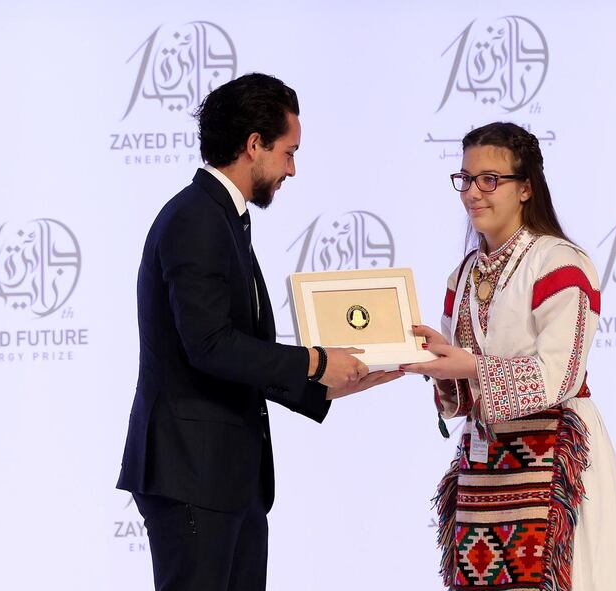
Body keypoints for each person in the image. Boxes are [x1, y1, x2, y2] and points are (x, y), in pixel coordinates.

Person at [116, 72, 401, 591]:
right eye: (288, 152)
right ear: (254, 146)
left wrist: (337, 379)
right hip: (194, 475)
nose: (293, 168)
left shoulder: (223, 217)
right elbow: (208, 346)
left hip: (223, 477)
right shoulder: (197, 219)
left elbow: (239, 354)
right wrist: (314, 363)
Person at [403, 122, 616, 590]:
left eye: (490, 180)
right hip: (486, 467)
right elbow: (461, 397)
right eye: (465, 179)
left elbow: (558, 376)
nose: (472, 193)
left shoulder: (560, 262)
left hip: (556, 462)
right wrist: (437, 365)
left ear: (525, 188)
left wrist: (468, 365)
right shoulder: (463, 275)